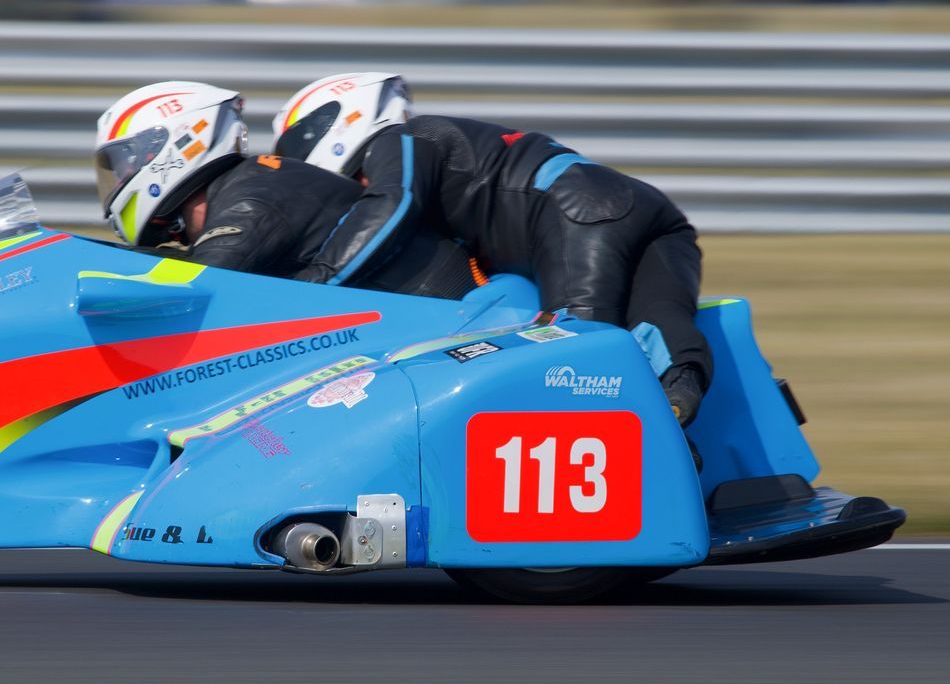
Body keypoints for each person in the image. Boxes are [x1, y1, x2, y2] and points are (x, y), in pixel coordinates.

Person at [273, 72, 712, 424]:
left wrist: (313, 285)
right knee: (658, 334)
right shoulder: (430, 140)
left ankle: (641, 459)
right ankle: (676, 429)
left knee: (581, 354)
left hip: (580, 211)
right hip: (650, 212)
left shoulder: (399, 138)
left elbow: (390, 205)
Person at [93, 80, 475, 293]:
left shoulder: (251, 201)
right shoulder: (250, 182)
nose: (120, 179)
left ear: (171, 145)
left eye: (124, 163)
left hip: (440, 319)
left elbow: (193, 288)